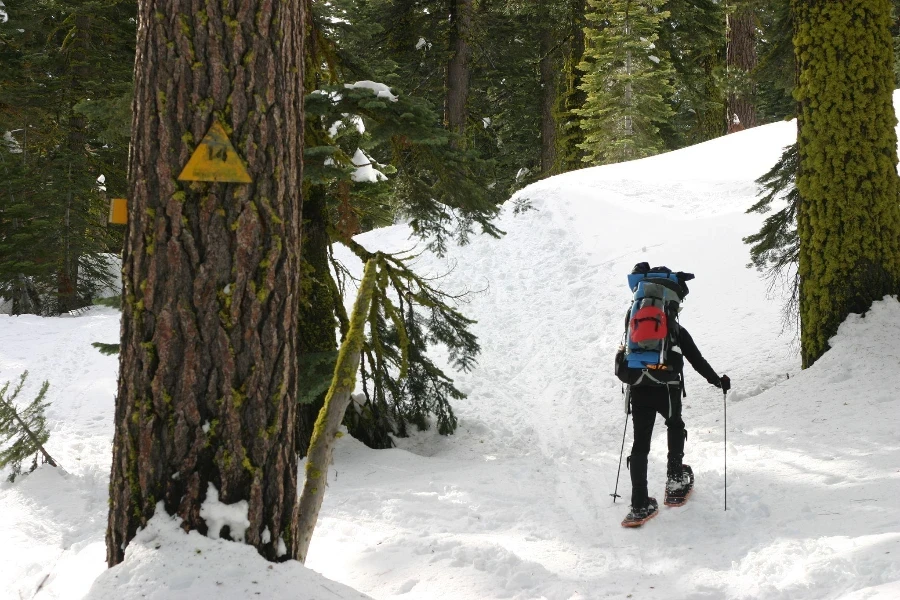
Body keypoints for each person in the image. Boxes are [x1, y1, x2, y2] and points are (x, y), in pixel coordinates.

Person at [624, 326, 730, 523]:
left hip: (639, 389)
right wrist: (717, 381)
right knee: (675, 426)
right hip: (668, 389)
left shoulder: (634, 322)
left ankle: (639, 504)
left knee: (640, 443)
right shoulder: (674, 328)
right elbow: (696, 360)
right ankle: (675, 480)